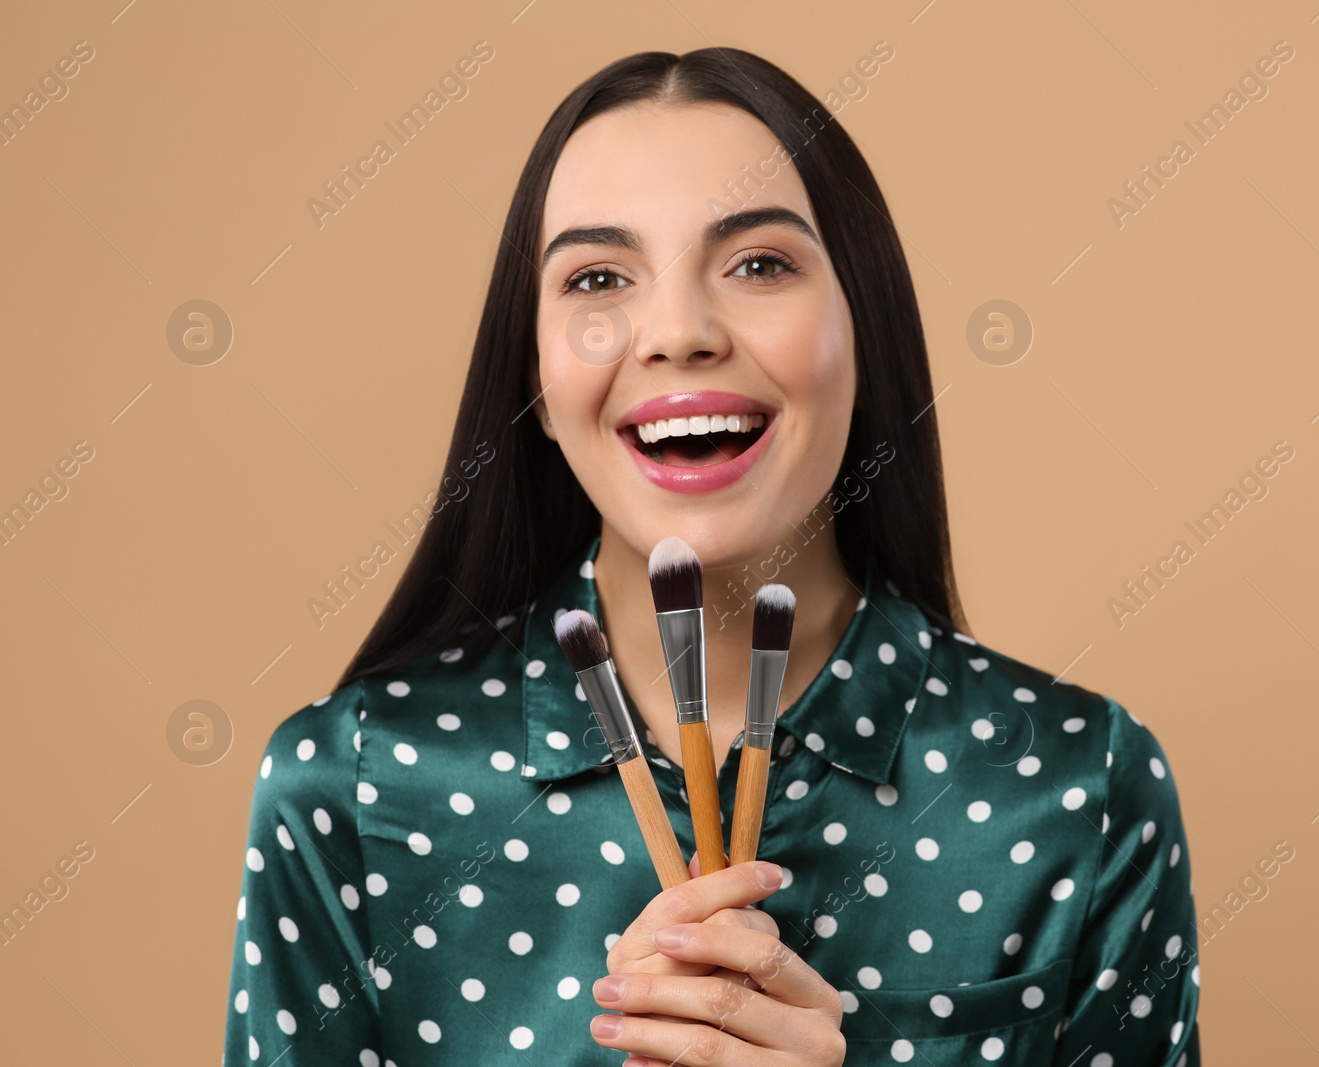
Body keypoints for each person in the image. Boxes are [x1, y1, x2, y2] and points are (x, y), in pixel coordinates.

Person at [222, 47, 1201, 1066]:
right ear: (537, 376)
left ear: (866, 332)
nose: (678, 330)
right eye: (598, 277)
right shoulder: (353, 785)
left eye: (759, 264)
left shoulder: (1077, 786)